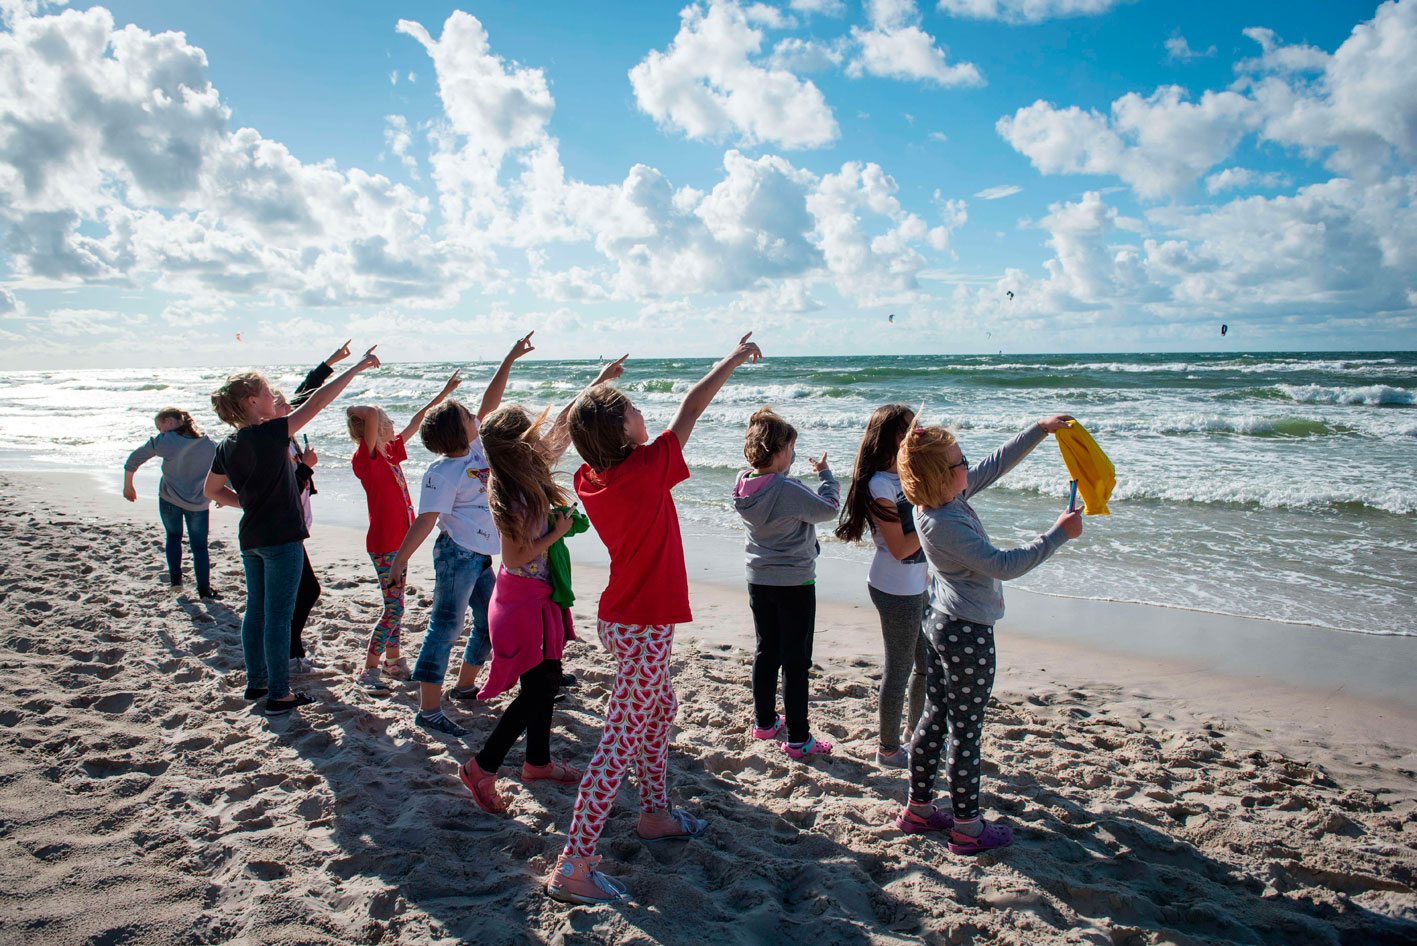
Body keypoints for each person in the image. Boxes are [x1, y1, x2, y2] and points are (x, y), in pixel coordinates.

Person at [545, 333, 761, 906]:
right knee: (617, 742)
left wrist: (594, 395)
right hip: (640, 624)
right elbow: (691, 405)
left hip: (625, 619)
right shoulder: (646, 470)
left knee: (660, 708)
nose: (645, 413)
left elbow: (582, 430)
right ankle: (575, 864)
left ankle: (656, 814)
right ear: (622, 433)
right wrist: (731, 360)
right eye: (634, 409)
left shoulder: (591, 480)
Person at [894, 415, 1081, 854]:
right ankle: (967, 827)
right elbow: (1004, 565)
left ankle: (918, 810)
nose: (969, 467)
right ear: (943, 477)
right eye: (962, 463)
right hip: (966, 633)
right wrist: (1057, 535)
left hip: (942, 621)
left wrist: (1039, 429)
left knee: (937, 717)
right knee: (965, 730)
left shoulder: (942, 498)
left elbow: (994, 465)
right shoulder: (944, 523)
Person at [458, 357, 626, 813]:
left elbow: (567, 427)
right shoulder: (509, 493)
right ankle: (482, 767)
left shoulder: (527, 472)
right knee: (540, 685)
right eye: (531, 433)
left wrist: (599, 382)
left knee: (546, 681)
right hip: (520, 602)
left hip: (537, 597)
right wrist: (559, 527)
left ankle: (537, 762)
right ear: (518, 446)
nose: (541, 437)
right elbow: (513, 557)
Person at [204, 346, 381, 718]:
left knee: (257, 611)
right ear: (254, 402)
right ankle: (279, 694)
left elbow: (211, 491)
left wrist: (249, 504)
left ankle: (258, 682)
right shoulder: (268, 434)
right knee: (278, 617)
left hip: (251, 537)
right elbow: (315, 402)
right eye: (269, 393)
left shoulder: (228, 444)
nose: (275, 397)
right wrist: (357, 368)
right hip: (281, 537)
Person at [386, 333, 536, 737]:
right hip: (455, 556)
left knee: (489, 624)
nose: (478, 418)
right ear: (459, 431)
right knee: (445, 627)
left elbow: (490, 400)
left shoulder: (475, 451)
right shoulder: (442, 472)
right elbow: (425, 520)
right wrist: (400, 560)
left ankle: (466, 686)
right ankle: (429, 710)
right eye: (470, 417)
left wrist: (509, 357)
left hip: (481, 557)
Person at [346, 368, 463, 691]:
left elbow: (417, 419)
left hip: (400, 544)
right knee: (394, 607)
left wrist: (443, 392)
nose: (393, 425)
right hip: (384, 544)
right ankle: (369, 668)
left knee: (396, 604)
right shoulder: (366, 458)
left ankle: (394, 661)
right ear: (375, 429)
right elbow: (368, 413)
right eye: (387, 422)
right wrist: (353, 411)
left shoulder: (389, 452)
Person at [732, 407, 839, 759]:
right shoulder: (784, 487)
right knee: (795, 661)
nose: (792, 454)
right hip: (794, 582)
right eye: (791, 448)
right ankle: (797, 739)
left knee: (767, 651)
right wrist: (827, 477)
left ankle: (764, 723)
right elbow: (827, 509)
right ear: (778, 451)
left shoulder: (744, 483)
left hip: (759, 579)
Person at [834, 404, 929, 768]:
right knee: (901, 668)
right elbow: (902, 547)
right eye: (907, 429)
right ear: (887, 436)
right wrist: (934, 510)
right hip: (896, 590)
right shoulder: (879, 484)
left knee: (927, 665)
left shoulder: (906, 474)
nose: (914, 433)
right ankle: (888, 749)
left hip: (919, 584)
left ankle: (914, 732)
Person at [123, 408, 219, 598]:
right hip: (198, 503)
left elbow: (134, 459)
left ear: (169, 421)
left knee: (173, 537)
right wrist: (221, 495)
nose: (161, 432)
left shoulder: (166, 441)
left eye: (160, 427)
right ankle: (204, 590)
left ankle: (176, 583)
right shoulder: (210, 446)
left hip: (169, 500)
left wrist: (128, 486)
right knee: (199, 546)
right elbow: (222, 472)